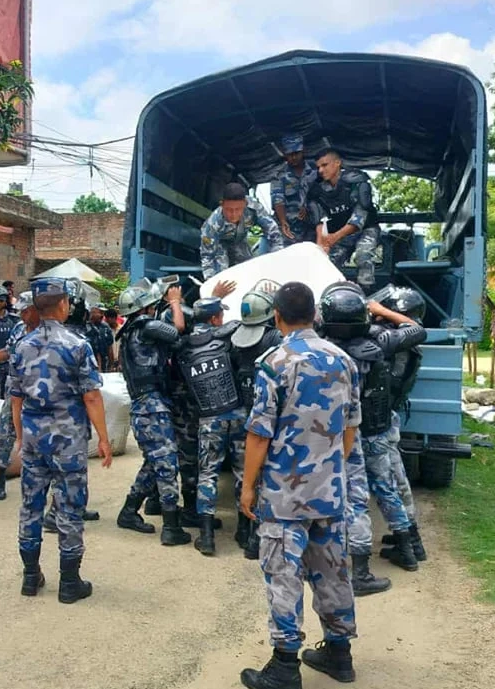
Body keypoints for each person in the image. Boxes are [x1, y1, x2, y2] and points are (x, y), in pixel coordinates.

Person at [239, 281, 360, 689]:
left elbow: (259, 433)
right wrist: (331, 468)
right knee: (332, 569)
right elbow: (350, 427)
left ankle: (285, 666)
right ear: (315, 315)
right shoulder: (343, 360)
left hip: (285, 494)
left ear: (277, 316)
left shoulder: (274, 362)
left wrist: (248, 486)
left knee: (283, 573)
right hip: (330, 489)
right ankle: (339, 654)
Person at [9, 278, 113, 604]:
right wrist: (104, 439)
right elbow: (92, 397)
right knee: (69, 507)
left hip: (33, 439)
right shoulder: (77, 345)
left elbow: (15, 399)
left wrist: (21, 436)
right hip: (67, 441)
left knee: (31, 506)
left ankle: (30, 577)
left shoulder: (21, 345)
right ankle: (69, 583)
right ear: (64, 304)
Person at [317, 282, 411, 595]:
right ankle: (368, 568)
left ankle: (321, 563)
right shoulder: (377, 343)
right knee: (368, 495)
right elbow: (416, 331)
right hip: (360, 429)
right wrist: (383, 312)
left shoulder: (317, 348)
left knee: (322, 494)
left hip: (325, 432)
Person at [114, 279, 192, 546]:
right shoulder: (146, 326)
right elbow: (178, 329)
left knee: (154, 463)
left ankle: (128, 511)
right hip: (151, 407)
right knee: (167, 463)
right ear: (144, 307)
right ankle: (171, 526)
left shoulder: (128, 333)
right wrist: (175, 302)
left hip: (146, 406)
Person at [175, 297, 251, 556]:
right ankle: (245, 532)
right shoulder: (230, 337)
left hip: (208, 419)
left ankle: (207, 537)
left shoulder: (183, 345)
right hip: (237, 414)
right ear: (214, 318)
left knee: (207, 474)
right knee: (244, 472)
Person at [370, 286, 429, 563]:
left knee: (390, 480)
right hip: (389, 416)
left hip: (380, 420)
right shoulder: (406, 340)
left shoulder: (395, 340)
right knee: (397, 478)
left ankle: (410, 543)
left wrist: (379, 311)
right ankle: (410, 537)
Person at [228, 285, 283, 559]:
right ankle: (255, 540)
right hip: (266, 417)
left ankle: (243, 528)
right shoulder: (274, 338)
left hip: (242, 415)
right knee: (265, 479)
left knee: (244, 474)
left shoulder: (235, 339)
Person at [0, 291, 38, 501]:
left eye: (26, 310)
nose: (22, 314)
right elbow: (8, 352)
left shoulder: (48, 332)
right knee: (5, 432)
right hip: (14, 388)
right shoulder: (18, 328)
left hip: (39, 390)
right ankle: (0, 480)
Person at [307, 150, 380, 290]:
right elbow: (320, 221)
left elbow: (358, 219)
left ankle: (367, 293)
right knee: (327, 262)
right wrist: (321, 246)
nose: (320, 170)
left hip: (365, 230)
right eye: (318, 167)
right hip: (340, 234)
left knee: (363, 255)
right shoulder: (318, 191)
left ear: (337, 163)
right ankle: (332, 293)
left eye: (324, 165)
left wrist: (334, 237)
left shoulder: (355, 183)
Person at [199, 181, 284, 279]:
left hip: (239, 242)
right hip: (219, 245)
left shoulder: (254, 207)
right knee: (222, 276)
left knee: (249, 270)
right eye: (229, 209)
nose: (234, 214)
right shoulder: (212, 225)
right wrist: (211, 281)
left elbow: (273, 232)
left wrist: (277, 259)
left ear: (245, 204)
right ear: (222, 204)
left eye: (238, 209)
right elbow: (207, 256)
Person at [269, 133, 319, 245]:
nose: (294, 157)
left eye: (297, 153)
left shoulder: (316, 169)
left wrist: (310, 206)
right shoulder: (279, 175)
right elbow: (278, 200)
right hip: (288, 227)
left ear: (303, 151)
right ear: (284, 154)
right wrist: (283, 221)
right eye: (290, 154)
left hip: (312, 226)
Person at [86, 304, 115, 372]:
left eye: (103, 313)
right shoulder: (85, 327)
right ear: (92, 312)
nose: (102, 315)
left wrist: (111, 365)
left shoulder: (105, 327)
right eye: (100, 312)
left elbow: (110, 347)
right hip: (89, 364)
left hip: (104, 363)